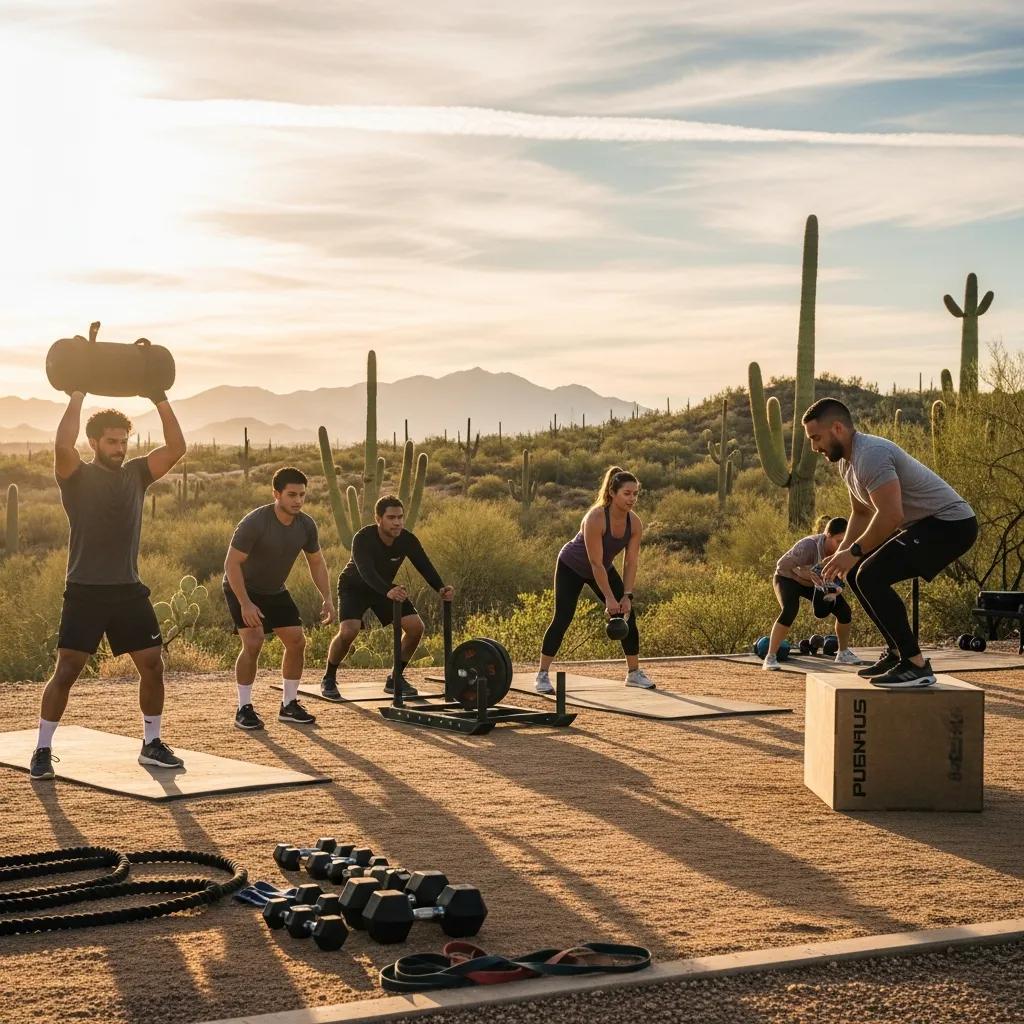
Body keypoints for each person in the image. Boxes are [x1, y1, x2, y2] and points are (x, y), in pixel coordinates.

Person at [30, 387, 187, 781]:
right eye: (112, 441)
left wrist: (159, 398)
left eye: (124, 441)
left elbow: (177, 447)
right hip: (85, 588)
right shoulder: (76, 476)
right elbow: (61, 444)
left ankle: (151, 744)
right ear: (94, 442)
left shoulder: (136, 473)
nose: (119, 448)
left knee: (153, 665)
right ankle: (43, 749)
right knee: (67, 669)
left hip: (127, 589)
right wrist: (77, 394)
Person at [803, 397, 978, 688]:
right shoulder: (848, 465)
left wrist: (855, 552)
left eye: (816, 438)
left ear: (837, 428)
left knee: (871, 575)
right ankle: (898, 653)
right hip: (926, 525)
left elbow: (891, 514)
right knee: (857, 575)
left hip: (951, 525)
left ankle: (916, 664)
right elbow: (861, 512)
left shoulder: (871, 454)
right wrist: (843, 557)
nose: (814, 447)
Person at [224, 467, 334, 729]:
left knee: (297, 641)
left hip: (274, 589)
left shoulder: (306, 525)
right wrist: (245, 603)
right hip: (243, 587)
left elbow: (316, 562)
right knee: (253, 641)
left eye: (302, 495)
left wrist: (327, 597)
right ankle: (244, 708)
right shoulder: (255, 522)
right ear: (277, 494)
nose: (297, 500)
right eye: (291, 495)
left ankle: (289, 704)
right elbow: (231, 564)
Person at [536, 467, 654, 692]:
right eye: (626, 493)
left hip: (601, 566)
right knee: (563, 617)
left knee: (629, 614)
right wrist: (610, 599)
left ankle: (634, 673)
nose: (632, 498)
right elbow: (595, 563)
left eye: (635, 493)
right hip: (572, 565)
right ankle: (542, 675)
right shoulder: (596, 517)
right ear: (613, 493)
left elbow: (630, 562)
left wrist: (626, 596)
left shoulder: (635, 523)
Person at [321, 495, 453, 698]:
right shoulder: (363, 538)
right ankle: (329, 677)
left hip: (383, 588)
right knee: (349, 631)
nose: (398, 522)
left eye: (400, 517)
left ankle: (395, 677)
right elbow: (366, 571)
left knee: (416, 628)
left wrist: (441, 588)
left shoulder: (407, 539)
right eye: (391, 517)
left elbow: (424, 565)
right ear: (378, 519)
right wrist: (387, 590)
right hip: (354, 586)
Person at [761, 517, 861, 671]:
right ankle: (770, 657)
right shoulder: (808, 546)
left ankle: (843, 652)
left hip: (815, 583)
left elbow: (842, 578)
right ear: (827, 535)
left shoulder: (844, 552)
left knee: (844, 611)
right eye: (838, 541)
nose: (841, 546)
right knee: (790, 609)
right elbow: (782, 565)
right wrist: (807, 573)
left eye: (845, 542)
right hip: (788, 578)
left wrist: (835, 588)